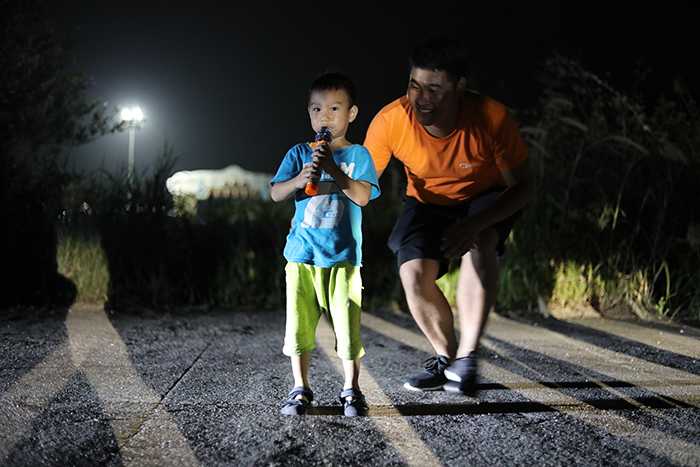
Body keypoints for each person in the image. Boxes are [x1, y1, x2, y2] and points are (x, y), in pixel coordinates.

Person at [363, 34, 534, 395]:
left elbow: (523, 186)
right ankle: (449, 359)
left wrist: (474, 222)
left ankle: (468, 358)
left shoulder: (492, 118)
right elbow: (362, 185)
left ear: (459, 87)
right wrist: (325, 194)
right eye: (414, 85)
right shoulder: (391, 121)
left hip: (485, 195)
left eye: (434, 89)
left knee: (480, 244)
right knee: (412, 273)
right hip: (426, 200)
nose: (421, 98)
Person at [271, 71, 380, 416]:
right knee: (298, 326)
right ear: (309, 114)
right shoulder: (298, 153)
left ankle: (351, 388)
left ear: (351, 113)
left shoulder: (359, 155)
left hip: (343, 257)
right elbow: (276, 192)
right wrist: (298, 180)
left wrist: (333, 168)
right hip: (301, 255)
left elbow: (362, 197)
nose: (325, 116)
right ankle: (300, 387)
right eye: (317, 109)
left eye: (335, 108)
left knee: (347, 327)